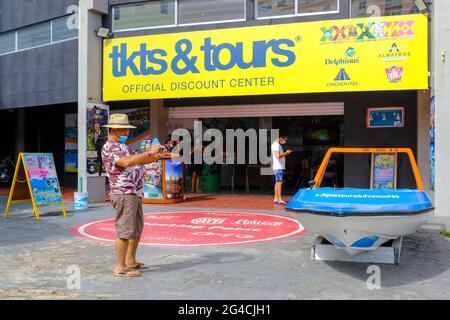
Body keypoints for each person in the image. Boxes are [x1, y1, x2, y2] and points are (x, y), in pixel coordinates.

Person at [101, 114, 166, 277]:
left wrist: (153, 155)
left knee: (136, 228)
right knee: (125, 229)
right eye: (123, 129)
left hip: (134, 192)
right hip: (124, 192)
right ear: (114, 129)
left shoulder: (123, 147)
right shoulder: (110, 148)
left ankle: (130, 261)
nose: (126, 132)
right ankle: (120, 267)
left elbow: (139, 159)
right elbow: (127, 162)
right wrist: (148, 154)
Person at [271, 131, 293, 205]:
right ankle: (279, 199)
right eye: (285, 139)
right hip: (279, 166)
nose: (285, 141)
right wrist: (286, 153)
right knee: (280, 182)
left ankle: (276, 198)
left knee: (277, 182)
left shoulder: (275, 144)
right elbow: (278, 156)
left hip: (278, 166)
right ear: (281, 138)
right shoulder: (276, 145)